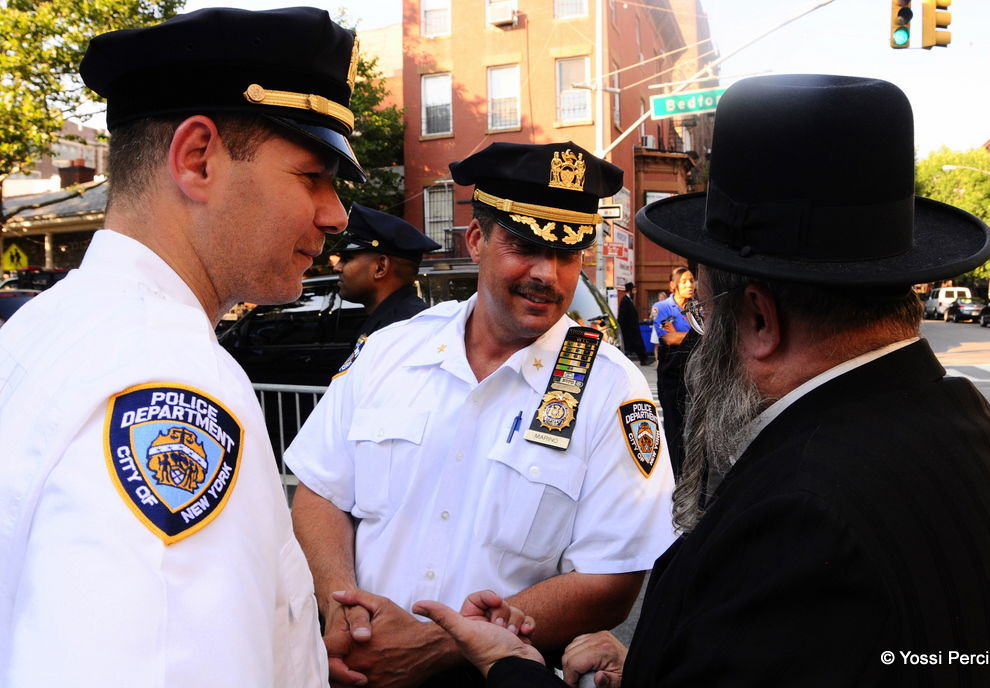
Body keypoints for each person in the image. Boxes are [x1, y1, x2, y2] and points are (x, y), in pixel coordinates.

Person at [412, 75, 990, 686]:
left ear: (758, 319)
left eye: (703, 308)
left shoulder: (797, 517)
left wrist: (509, 665)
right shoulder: (969, 427)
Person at [0, 7, 365, 686]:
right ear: (198, 159)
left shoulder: (44, 327)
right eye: (312, 175)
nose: (336, 215)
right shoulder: (170, 384)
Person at [284, 141, 677, 687]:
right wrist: (342, 607)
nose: (549, 273)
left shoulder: (611, 389)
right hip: (353, 665)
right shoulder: (392, 350)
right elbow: (321, 492)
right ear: (476, 241)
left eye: (567, 254)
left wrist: (441, 645)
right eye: (525, 246)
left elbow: (612, 578)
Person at [334, 202, 441, 341]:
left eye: (347, 259)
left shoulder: (404, 330)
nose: (336, 267)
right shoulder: (390, 321)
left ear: (380, 267)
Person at [651, 266, 700, 478]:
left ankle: (695, 474)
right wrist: (697, 334)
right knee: (673, 424)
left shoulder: (698, 308)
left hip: (696, 370)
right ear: (674, 285)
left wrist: (682, 334)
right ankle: (673, 475)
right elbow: (668, 339)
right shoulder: (662, 307)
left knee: (696, 426)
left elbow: (710, 334)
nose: (690, 285)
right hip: (671, 372)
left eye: (692, 280)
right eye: (684, 281)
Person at [616, 282, 650, 365]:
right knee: (635, 345)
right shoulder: (625, 300)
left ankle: (643, 359)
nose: (635, 292)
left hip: (632, 329)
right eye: (634, 290)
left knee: (637, 344)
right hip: (629, 330)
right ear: (630, 290)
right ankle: (643, 360)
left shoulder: (629, 300)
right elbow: (622, 317)